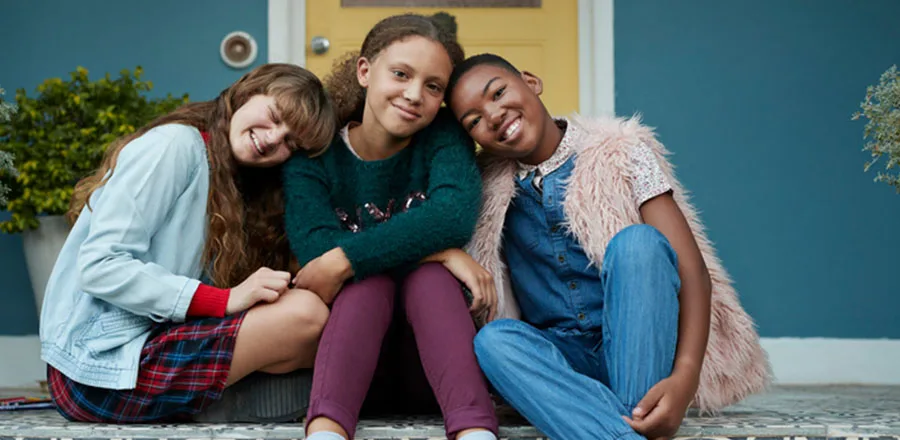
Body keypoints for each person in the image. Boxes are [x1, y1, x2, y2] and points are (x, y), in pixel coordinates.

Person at [445, 53, 771, 440]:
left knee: (638, 244)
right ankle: (625, 432)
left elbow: (694, 273)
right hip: (563, 364)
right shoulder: (484, 190)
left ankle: (613, 420)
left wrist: (685, 378)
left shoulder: (622, 151)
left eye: (498, 93)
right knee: (494, 341)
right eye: (475, 121)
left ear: (531, 82)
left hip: (639, 345)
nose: (494, 115)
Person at [40, 63, 337, 423]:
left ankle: (214, 405)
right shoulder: (175, 146)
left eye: (291, 141)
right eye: (274, 116)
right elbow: (101, 266)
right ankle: (221, 407)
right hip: (99, 368)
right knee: (305, 317)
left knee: (327, 330)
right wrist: (225, 300)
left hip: (157, 343)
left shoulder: (239, 179)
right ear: (246, 93)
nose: (275, 138)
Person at [283, 14, 499, 440]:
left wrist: (350, 257)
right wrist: (440, 248)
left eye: (434, 86)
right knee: (370, 282)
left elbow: (452, 214)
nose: (414, 94)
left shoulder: (442, 137)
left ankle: (476, 432)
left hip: (437, 373)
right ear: (365, 71)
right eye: (400, 74)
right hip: (349, 372)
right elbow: (317, 257)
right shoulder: (314, 156)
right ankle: (325, 432)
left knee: (429, 279)